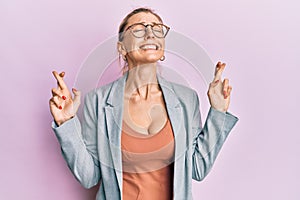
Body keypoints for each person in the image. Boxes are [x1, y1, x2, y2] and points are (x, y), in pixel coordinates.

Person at [49, 7, 238, 200]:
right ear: (122, 48)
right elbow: (89, 177)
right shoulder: (97, 101)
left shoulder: (186, 99)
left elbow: (198, 167)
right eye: (139, 29)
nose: (150, 33)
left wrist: (218, 111)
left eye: (157, 28)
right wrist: (66, 123)